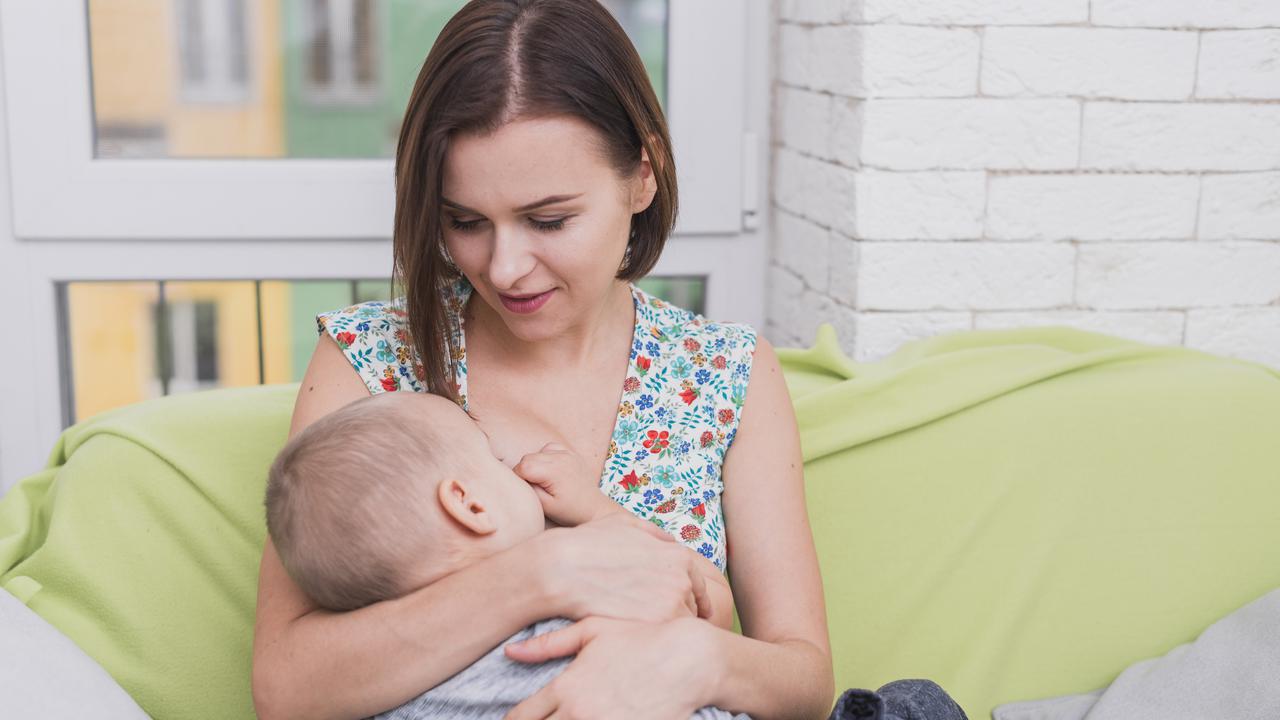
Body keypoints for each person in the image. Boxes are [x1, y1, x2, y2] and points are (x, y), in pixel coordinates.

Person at [251, 1, 966, 719]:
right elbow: (286, 690)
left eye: (549, 219)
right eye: (464, 222)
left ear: (642, 177)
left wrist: (695, 661)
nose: (504, 268)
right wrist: (545, 573)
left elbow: (803, 680)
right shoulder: (370, 359)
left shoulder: (724, 375)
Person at [263, 390, 749, 719]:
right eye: (494, 459)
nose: (512, 467)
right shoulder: (577, 611)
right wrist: (598, 515)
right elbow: (701, 595)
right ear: (470, 505)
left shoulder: (382, 685)